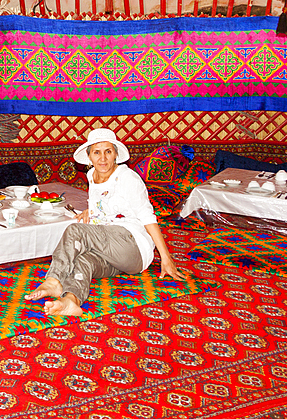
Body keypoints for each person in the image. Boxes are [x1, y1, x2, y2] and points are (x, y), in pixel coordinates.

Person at [25, 128, 185, 316]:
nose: (103, 158)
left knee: (76, 230)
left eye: (108, 151)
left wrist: (166, 258)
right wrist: (91, 211)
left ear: (116, 154)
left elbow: (147, 217)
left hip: (132, 245)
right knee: (84, 260)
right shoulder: (92, 176)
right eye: (97, 152)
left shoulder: (127, 178)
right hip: (114, 252)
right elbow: (105, 206)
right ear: (89, 156)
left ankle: (53, 281)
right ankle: (71, 300)